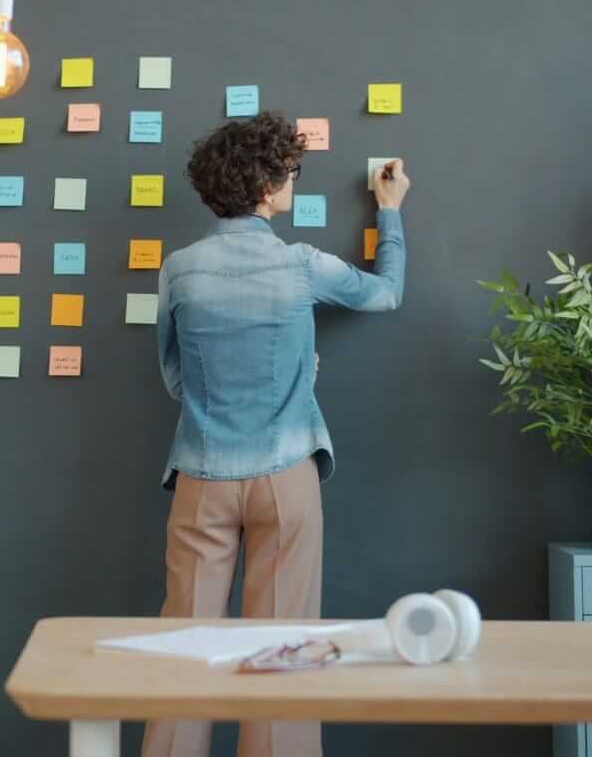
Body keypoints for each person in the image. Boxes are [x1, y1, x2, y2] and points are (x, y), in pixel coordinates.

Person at [142, 111, 409, 757]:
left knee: (185, 653)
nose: (292, 180)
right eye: (289, 172)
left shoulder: (180, 270)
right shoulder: (302, 264)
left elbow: (176, 380)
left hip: (202, 479)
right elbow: (387, 295)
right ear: (267, 187)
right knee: (283, 655)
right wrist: (389, 212)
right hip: (286, 480)